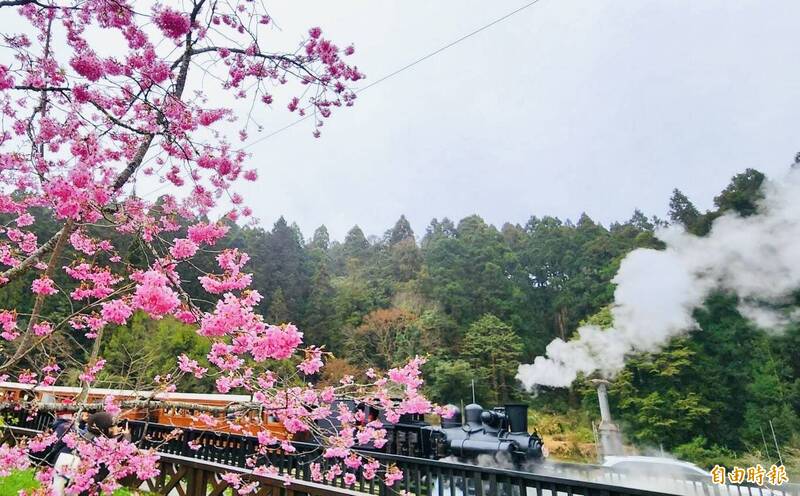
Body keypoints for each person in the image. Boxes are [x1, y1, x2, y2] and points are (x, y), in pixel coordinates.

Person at [52, 412, 131, 496]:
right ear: (104, 429)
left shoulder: (85, 439)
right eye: (114, 426)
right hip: (81, 487)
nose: (117, 429)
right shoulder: (98, 447)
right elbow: (116, 455)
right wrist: (126, 438)